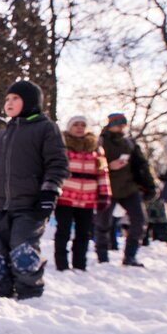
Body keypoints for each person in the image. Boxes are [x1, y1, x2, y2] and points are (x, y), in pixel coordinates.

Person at [0, 81, 69, 299]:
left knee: (22, 247)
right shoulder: (2, 134)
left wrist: (49, 192)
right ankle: (1, 292)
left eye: (15, 98)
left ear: (30, 101)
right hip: (0, 204)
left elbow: (57, 163)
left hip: (30, 204)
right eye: (7, 99)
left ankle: (29, 292)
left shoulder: (45, 128)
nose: (9, 102)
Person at [94, 113, 156, 267]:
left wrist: (150, 186)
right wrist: (109, 165)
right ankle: (102, 256)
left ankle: (130, 256)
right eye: (118, 124)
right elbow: (93, 163)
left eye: (123, 124)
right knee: (103, 223)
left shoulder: (130, 144)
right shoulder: (100, 143)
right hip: (107, 188)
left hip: (129, 188)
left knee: (139, 220)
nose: (121, 127)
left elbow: (142, 166)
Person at [53, 116, 111, 271]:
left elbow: (102, 173)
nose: (79, 128)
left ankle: (80, 263)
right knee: (63, 230)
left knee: (83, 233)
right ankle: (61, 263)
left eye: (82, 125)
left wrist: (105, 194)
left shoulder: (96, 149)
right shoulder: (62, 146)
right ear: (70, 127)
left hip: (88, 198)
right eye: (76, 125)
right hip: (65, 196)